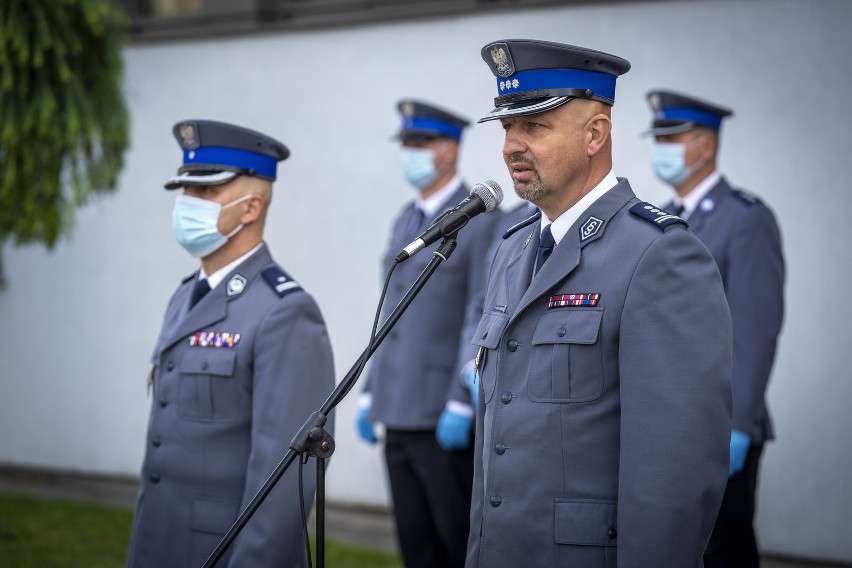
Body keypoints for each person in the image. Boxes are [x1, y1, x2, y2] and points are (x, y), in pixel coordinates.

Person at [466, 39, 734, 566]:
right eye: (506, 127)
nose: (510, 146)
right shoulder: (512, 246)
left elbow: (671, 474)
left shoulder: (659, 256)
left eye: (534, 127)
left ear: (595, 134)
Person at [126, 120, 335, 568]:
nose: (187, 205)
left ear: (250, 208)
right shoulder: (186, 294)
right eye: (185, 192)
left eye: (204, 194)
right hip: (159, 542)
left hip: (225, 552)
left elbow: (284, 481)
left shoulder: (285, 312)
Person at [355, 100, 498, 568]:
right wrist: (369, 389)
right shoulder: (407, 218)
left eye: (421, 143)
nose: (411, 153)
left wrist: (462, 398)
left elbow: (480, 311)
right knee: (414, 541)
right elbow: (393, 313)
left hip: (441, 408)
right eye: (408, 144)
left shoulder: (481, 221)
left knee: (455, 538)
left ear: (449, 149)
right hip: (396, 402)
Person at [646, 90, 785, 567]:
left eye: (673, 137)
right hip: (670, 422)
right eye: (658, 137)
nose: (661, 147)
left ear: (705, 147)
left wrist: (737, 422)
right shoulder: (661, 219)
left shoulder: (745, 219)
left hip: (720, 420)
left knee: (724, 550)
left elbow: (755, 328)